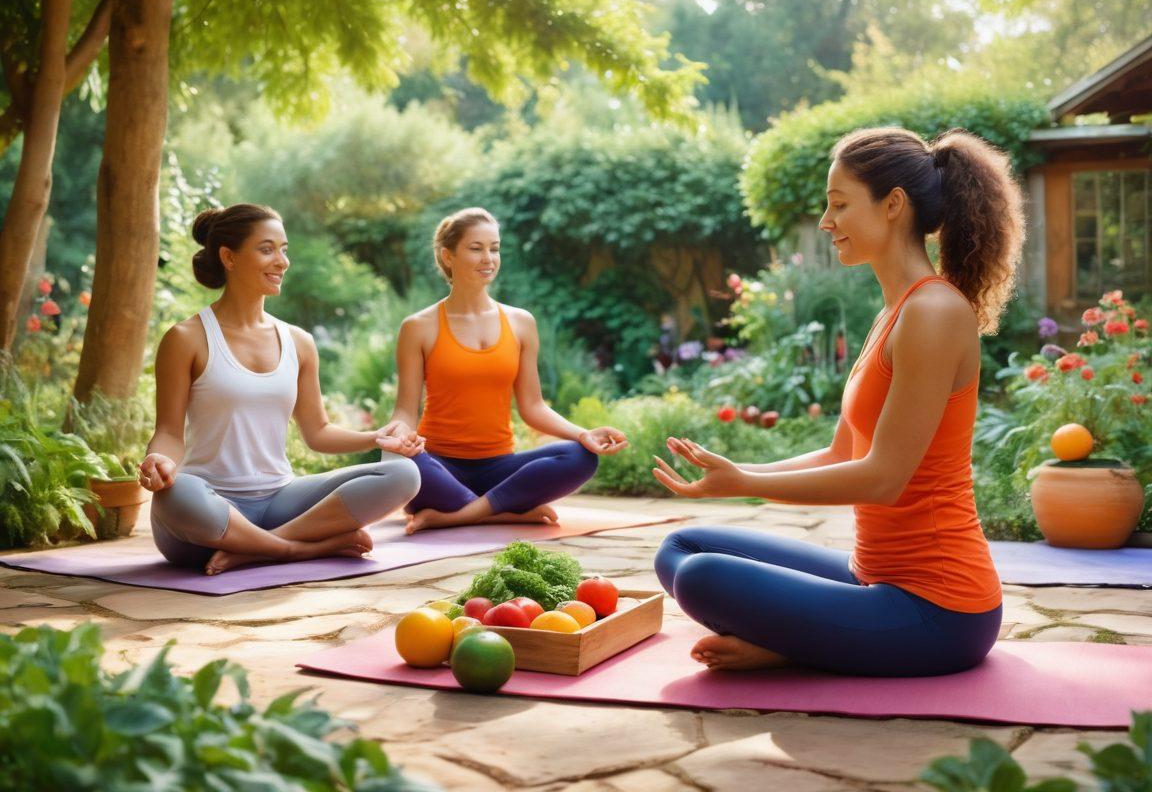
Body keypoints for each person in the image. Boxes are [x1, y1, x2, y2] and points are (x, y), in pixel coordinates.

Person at [652, 127, 1023, 677]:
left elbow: (883, 479)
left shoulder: (935, 313)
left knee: (702, 578)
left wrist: (745, 484)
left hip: (940, 610)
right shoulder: (895, 312)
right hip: (870, 577)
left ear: (893, 205)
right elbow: (840, 454)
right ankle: (806, 637)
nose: (826, 222)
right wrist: (735, 473)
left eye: (840, 204)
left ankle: (793, 642)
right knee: (680, 550)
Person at [138, 204, 422, 576]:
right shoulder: (186, 338)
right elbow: (169, 432)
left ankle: (255, 550)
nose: (282, 261)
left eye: (284, 249)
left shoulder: (298, 342)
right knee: (177, 493)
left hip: (280, 504)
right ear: (229, 257)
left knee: (404, 475)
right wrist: (159, 461)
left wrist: (377, 437)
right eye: (267, 249)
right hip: (209, 512)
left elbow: (317, 432)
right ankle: (296, 549)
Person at [386, 207, 629, 534]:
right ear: (448, 256)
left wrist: (582, 434)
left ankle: (455, 515)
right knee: (400, 465)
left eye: (495, 248)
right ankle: (503, 511)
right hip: (438, 466)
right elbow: (405, 409)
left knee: (581, 456)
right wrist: (399, 437)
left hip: (500, 468)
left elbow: (533, 406)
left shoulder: (520, 322)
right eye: (476, 248)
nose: (488, 258)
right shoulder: (418, 327)